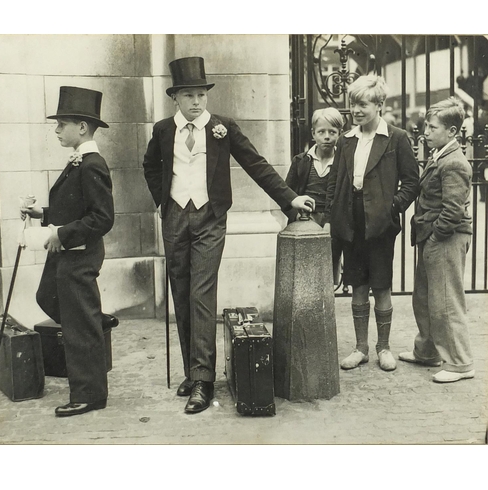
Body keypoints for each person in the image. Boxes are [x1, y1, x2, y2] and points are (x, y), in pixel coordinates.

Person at [143, 56, 315, 414]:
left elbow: (256, 164)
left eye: (201, 94)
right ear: (175, 97)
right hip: (175, 217)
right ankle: (194, 369)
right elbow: (150, 166)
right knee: (182, 294)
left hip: (209, 218)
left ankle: (203, 381)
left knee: (202, 293)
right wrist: (162, 200)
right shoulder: (162, 130)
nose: (196, 101)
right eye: (188, 95)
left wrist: (289, 198)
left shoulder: (222, 127)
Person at [20, 86, 117, 417]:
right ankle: (96, 322)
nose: (57, 130)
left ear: (82, 128)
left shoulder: (92, 164)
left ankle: (89, 394)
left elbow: (102, 218)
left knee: (77, 323)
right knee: (47, 296)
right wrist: (44, 216)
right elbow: (74, 206)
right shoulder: (79, 161)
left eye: (62, 124)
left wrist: (61, 233)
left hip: (81, 255)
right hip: (67, 253)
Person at [325, 75, 419, 372]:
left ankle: (384, 347)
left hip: (380, 223)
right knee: (357, 285)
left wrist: (392, 208)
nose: (356, 109)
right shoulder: (346, 140)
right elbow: (335, 182)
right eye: (353, 103)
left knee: (381, 285)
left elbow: (411, 182)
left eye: (363, 104)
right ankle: (361, 348)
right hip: (351, 220)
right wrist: (332, 216)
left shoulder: (396, 138)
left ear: (379, 105)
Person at [399, 98, 475, 383]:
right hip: (433, 236)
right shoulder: (440, 155)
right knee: (425, 297)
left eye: (432, 127)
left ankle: (460, 362)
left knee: (445, 300)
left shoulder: (454, 162)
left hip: (445, 238)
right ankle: (427, 351)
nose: (425, 132)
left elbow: (453, 210)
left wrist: (435, 236)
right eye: (426, 126)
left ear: (452, 131)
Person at [284, 107, 344, 283]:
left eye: (332, 132)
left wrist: (330, 222)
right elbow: (287, 194)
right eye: (321, 132)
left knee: (326, 274)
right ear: (313, 133)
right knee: (302, 272)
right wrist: (296, 218)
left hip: (330, 223)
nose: (327, 136)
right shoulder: (301, 161)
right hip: (303, 221)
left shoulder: (342, 163)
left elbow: (340, 197)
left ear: (339, 134)